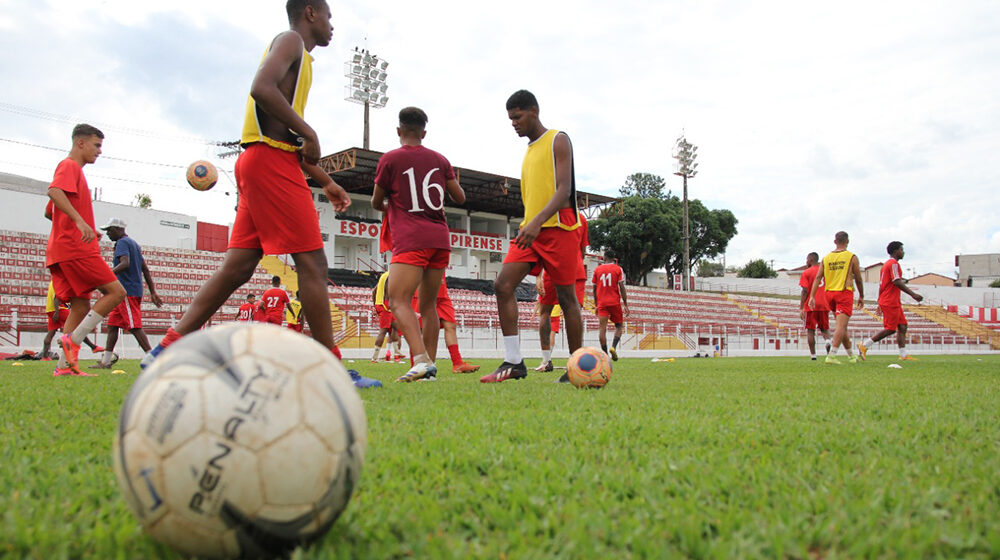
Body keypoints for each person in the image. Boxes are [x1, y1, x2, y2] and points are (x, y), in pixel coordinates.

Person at [141, 0, 380, 389]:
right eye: (330, 16)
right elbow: (260, 89)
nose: (333, 26)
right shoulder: (290, 42)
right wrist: (312, 133)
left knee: (237, 268)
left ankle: (167, 347)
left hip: (262, 160)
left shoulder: (301, 59)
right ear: (310, 14)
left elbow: (282, 137)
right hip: (269, 164)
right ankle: (330, 370)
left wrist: (327, 180)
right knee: (314, 266)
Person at [481, 90, 584, 383]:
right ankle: (514, 362)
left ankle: (575, 367)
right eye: (510, 119)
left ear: (533, 112)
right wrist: (532, 223)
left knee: (567, 299)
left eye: (517, 117)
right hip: (531, 230)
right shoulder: (528, 151)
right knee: (502, 285)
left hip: (558, 230)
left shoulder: (558, 139)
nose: (513, 123)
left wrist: (538, 221)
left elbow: (564, 190)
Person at [371, 106, 466, 382]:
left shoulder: (390, 160)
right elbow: (459, 197)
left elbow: (377, 202)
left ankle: (421, 360)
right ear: (424, 132)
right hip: (439, 237)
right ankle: (430, 368)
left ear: (399, 130)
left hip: (411, 238)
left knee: (397, 300)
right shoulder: (440, 159)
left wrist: (392, 201)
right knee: (429, 306)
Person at [45, 124, 127, 377]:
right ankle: (75, 339)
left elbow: (49, 211)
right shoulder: (69, 166)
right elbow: (54, 191)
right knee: (116, 292)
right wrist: (79, 223)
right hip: (76, 248)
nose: (99, 151)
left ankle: (64, 367)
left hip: (61, 249)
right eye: (97, 145)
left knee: (80, 306)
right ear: (80, 143)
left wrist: (80, 223)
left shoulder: (74, 172)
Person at [93, 218, 164, 368]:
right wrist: (152, 291)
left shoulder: (122, 243)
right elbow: (144, 268)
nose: (108, 234)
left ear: (118, 229)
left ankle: (153, 359)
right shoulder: (134, 244)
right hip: (128, 291)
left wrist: (108, 275)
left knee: (134, 326)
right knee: (113, 326)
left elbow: (125, 263)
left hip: (126, 291)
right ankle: (106, 361)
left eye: (109, 230)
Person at [859, 242, 924, 361]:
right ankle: (865, 345)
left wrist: (879, 301)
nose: (903, 252)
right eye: (901, 249)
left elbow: (882, 285)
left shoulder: (886, 265)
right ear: (895, 251)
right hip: (890, 301)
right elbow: (896, 281)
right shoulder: (893, 264)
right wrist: (913, 295)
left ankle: (903, 355)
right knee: (890, 329)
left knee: (903, 326)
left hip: (890, 300)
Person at [809, 231, 864, 364]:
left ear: (835, 242)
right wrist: (861, 295)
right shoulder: (851, 257)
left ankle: (851, 356)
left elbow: (818, 277)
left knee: (842, 326)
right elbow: (858, 279)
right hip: (844, 292)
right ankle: (832, 355)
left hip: (829, 294)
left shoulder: (826, 258)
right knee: (841, 326)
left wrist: (812, 296)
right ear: (847, 241)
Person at [40, 281, 103, 360]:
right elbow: (56, 297)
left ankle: (45, 356)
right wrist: (57, 311)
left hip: (50, 310)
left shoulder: (52, 282)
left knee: (51, 332)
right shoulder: (59, 281)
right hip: (59, 309)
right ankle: (93, 347)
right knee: (76, 328)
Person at [592, 249, 629, 360]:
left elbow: (594, 289)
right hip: (614, 302)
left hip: (602, 303)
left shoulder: (597, 270)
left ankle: (605, 355)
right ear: (614, 259)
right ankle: (613, 347)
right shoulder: (618, 269)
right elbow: (621, 287)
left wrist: (596, 304)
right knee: (619, 326)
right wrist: (625, 304)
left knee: (602, 329)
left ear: (604, 257)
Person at [798, 252, 832, 361]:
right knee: (825, 329)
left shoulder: (807, 272)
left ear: (810, 260)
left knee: (810, 331)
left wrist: (801, 307)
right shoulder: (825, 272)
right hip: (824, 304)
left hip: (811, 305)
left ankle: (813, 355)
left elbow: (804, 290)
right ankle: (828, 350)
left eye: (807, 260)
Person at [370, 271, 404, 363]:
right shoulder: (392, 276)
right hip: (386, 305)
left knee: (396, 327)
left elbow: (374, 291)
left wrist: (375, 306)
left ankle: (397, 353)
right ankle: (374, 357)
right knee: (383, 331)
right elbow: (390, 292)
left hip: (382, 304)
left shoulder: (384, 276)